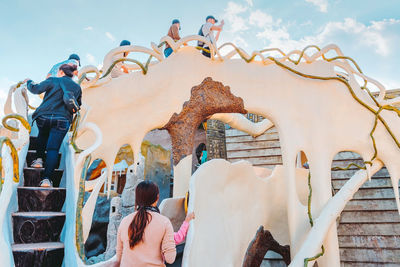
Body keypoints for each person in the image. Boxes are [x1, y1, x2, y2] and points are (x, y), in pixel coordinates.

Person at [25, 64, 82, 187]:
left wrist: (29, 82)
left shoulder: (52, 80)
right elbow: (77, 106)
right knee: (53, 149)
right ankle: (46, 180)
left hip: (44, 116)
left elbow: (35, 89)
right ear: (72, 74)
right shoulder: (77, 87)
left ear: (61, 72)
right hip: (62, 119)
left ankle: (39, 160)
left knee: (42, 135)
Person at [116, 181, 176, 266]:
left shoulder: (124, 221)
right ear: (157, 197)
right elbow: (170, 258)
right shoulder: (164, 222)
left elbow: (118, 257)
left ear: (137, 199)